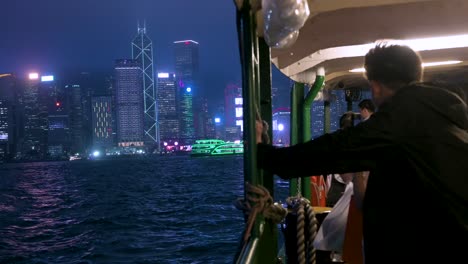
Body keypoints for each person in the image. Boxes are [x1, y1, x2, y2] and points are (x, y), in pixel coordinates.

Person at [256, 44, 468, 263]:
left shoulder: (399, 121)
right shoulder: (446, 114)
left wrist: (263, 152)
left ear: (375, 87)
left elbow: (331, 150)